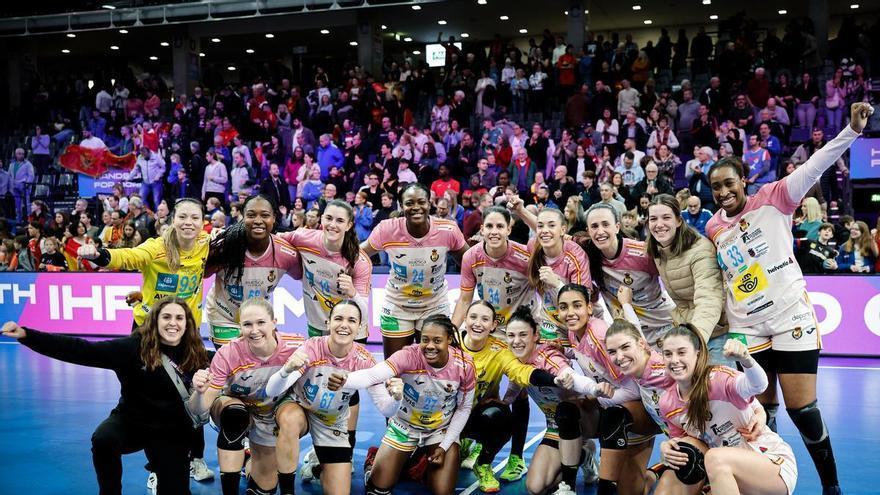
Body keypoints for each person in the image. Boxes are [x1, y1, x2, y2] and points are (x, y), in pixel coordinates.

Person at [703, 103, 873, 495]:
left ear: (744, 179)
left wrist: (851, 131)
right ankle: (770, 483)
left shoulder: (775, 196)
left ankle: (831, 487)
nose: (724, 192)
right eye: (717, 187)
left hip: (789, 318)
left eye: (730, 183)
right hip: (747, 326)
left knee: (803, 409)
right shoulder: (713, 226)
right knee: (761, 414)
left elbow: (815, 165)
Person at [2, 297, 210, 495]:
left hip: (171, 429)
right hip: (133, 421)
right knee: (104, 439)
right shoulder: (132, 348)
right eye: (166, 317)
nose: (172, 323)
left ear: (187, 323)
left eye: (179, 318)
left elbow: (229, 363)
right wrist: (27, 335)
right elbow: (81, 350)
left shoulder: (195, 353)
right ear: (155, 320)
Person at [264, 301, 402, 494]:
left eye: (351, 320)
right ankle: (287, 491)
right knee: (290, 419)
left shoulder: (365, 361)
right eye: (338, 318)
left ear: (360, 327)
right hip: (299, 406)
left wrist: (396, 398)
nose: (344, 325)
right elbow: (272, 391)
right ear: (328, 323)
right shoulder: (311, 348)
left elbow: (386, 409)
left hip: (331, 421)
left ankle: (316, 468)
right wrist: (286, 371)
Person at [341, 314, 476, 495]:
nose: (430, 346)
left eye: (437, 340)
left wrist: (444, 446)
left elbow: (464, 408)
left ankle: (419, 463)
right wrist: (343, 380)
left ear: (449, 339)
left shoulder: (465, 365)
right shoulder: (408, 355)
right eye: (425, 339)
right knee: (377, 490)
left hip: (439, 430)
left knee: (443, 492)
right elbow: (372, 375)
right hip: (404, 426)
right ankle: (374, 463)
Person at [658, 325, 796, 495]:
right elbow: (684, 444)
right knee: (690, 454)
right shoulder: (667, 403)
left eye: (681, 352)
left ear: (698, 354)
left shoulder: (719, 379)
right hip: (725, 474)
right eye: (668, 354)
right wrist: (667, 447)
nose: (674, 360)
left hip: (770, 463)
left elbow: (758, 385)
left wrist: (746, 359)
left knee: (715, 458)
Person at [188, 298, 306, 495]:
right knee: (235, 415)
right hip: (238, 408)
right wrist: (199, 393)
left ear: (274, 322)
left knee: (264, 487)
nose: (254, 330)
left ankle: (249, 458)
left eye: (261, 323)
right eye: (247, 324)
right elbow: (198, 409)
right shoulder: (228, 353)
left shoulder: (297, 345)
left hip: (272, 413)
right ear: (240, 327)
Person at [455, 301, 570, 492]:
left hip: (474, 417)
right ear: (464, 319)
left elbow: (521, 372)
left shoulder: (500, 350)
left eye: (485, 319)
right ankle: (458, 445)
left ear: (493, 325)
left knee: (501, 416)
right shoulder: (451, 344)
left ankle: (483, 463)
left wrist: (556, 379)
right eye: (473, 317)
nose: (478, 323)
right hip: (444, 420)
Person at [502, 306, 606, 495]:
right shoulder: (515, 361)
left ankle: (569, 485)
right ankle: (583, 456)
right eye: (511, 335)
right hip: (555, 427)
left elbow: (570, 375)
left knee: (566, 410)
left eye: (523, 335)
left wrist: (593, 388)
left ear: (535, 335)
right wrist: (502, 403)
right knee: (535, 488)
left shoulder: (548, 356)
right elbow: (515, 385)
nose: (516, 341)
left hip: (586, 420)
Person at [361, 183, 468, 358]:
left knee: (432, 368)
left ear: (429, 203)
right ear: (402, 206)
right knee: (395, 370)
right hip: (397, 306)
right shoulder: (387, 229)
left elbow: (469, 260)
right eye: (409, 203)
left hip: (435, 305)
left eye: (421, 202)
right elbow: (359, 255)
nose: (416, 207)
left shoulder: (448, 230)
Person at [78, 198, 210, 329]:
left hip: (188, 328)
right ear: (173, 220)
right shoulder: (156, 247)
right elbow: (128, 256)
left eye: (195, 218)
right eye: (182, 217)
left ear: (203, 223)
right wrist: (98, 254)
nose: (188, 222)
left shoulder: (206, 243)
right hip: (150, 327)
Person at [204, 194, 302, 347]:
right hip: (223, 317)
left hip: (257, 319)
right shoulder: (225, 247)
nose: (258, 220)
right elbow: (204, 274)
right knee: (234, 364)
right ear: (242, 217)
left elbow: (301, 275)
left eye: (265, 215)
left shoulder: (286, 253)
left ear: (274, 218)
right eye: (251, 215)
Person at [644, 194, 731, 366]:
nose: (659, 224)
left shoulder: (700, 250)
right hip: (686, 327)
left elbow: (709, 300)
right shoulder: (657, 249)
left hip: (716, 332)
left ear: (678, 220)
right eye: (653, 218)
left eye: (666, 217)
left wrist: (692, 342)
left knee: (718, 389)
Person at [581, 203, 675, 348]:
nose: (600, 231)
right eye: (594, 226)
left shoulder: (642, 253)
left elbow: (677, 276)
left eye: (605, 224)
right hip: (630, 334)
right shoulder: (588, 255)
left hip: (664, 327)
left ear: (617, 227)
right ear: (588, 231)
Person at [508, 199, 591, 344]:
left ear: (563, 230)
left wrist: (557, 284)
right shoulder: (533, 245)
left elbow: (582, 303)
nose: (545, 230)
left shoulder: (576, 254)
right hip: (550, 323)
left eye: (552, 225)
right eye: (540, 226)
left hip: (580, 322)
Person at [452, 206, 535, 331]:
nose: (494, 231)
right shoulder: (470, 256)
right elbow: (464, 301)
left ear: (509, 230)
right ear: (482, 230)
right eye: (489, 226)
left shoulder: (526, 256)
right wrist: (451, 333)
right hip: (490, 327)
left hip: (522, 328)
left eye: (500, 226)